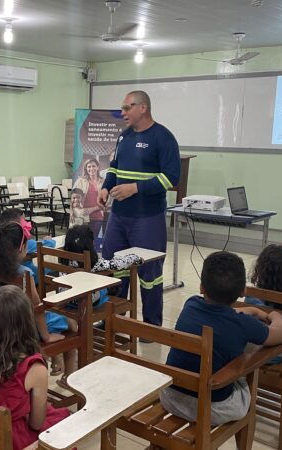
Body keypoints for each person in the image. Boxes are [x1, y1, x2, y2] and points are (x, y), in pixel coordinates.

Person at [160, 251, 282, 426]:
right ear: (243, 291)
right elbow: (280, 334)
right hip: (211, 408)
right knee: (244, 371)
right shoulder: (243, 325)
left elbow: (217, 317)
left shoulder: (190, 305)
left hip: (170, 397)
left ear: (201, 287)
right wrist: (270, 314)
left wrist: (248, 311)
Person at [98, 90, 181, 327]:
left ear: (143, 108)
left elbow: (172, 178)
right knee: (113, 267)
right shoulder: (123, 137)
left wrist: (135, 188)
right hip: (119, 217)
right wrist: (106, 187)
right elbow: (114, 167)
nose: (122, 112)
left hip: (148, 218)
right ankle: (113, 321)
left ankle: (151, 325)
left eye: (127, 107)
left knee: (149, 274)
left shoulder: (163, 137)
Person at [0, 285, 70, 449]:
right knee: (63, 425)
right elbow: (36, 424)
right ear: (25, 325)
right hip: (12, 441)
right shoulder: (33, 368)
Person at [0, 222, 77, 378]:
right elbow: (38, 309)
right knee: (72, 325)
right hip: (22, 330)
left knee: (52, 319)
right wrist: (47, 337)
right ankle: (68, 377)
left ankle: (56, 360)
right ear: (21, 249)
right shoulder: (25, 274)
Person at [62, 224, 143, 309]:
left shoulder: (65, 258)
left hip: (65, 298)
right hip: (87, 302)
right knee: (112, 285)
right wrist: (134, 258)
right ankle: (109, 319)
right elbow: (116, 265)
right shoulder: (92, 262)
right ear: (90, 244)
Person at [0, 208, 54, 282]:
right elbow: (49, 245)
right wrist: (49, 240)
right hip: (27, 278)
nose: (26, 223)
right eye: (24, 221)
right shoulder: (25, 243)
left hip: (6, 279)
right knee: (53, 271)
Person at [73, 157, 105, 238]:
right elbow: (74, 200)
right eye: (89, 166)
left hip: (98, 216)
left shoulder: (104, 182)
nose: (91, 168)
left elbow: (106, 201)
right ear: (86, 169)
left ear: (98, 167)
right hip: (82, 217)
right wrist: (78, 211)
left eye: (94, 166)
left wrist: (91, 209)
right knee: (81, 241)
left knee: (92, 241)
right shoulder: (80, 181)